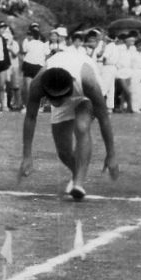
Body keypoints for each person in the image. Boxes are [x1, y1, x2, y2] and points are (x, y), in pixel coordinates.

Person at [18, 61, 120, 199]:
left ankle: (79, 183)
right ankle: (76, 174)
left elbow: (104, 119)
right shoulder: (37, 84)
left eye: (60, 97)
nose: (57, 100)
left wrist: (111, 154)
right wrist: (27, 156)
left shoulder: (88, 82)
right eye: (54, 98)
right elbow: (30, 117)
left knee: (82, 126)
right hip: (64, 91)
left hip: (84, 96)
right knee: (63, 151)